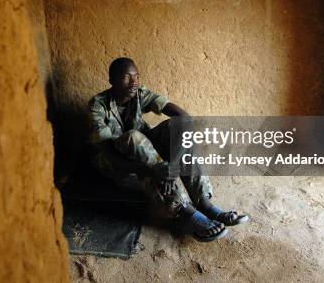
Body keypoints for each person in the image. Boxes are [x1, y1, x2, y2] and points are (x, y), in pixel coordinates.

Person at [87, 57, 249, 242]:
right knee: (133, 137)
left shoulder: (139, 93)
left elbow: (184, 118)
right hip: (114, 164)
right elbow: (111, 158)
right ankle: (185, 212)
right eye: (126, 77)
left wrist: (171, 167)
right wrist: (155, 170)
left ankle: (204, 203)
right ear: (111, 80)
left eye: (136, 77)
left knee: (176, 128)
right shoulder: (97, 106)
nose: (133, 82)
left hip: (145, 152)